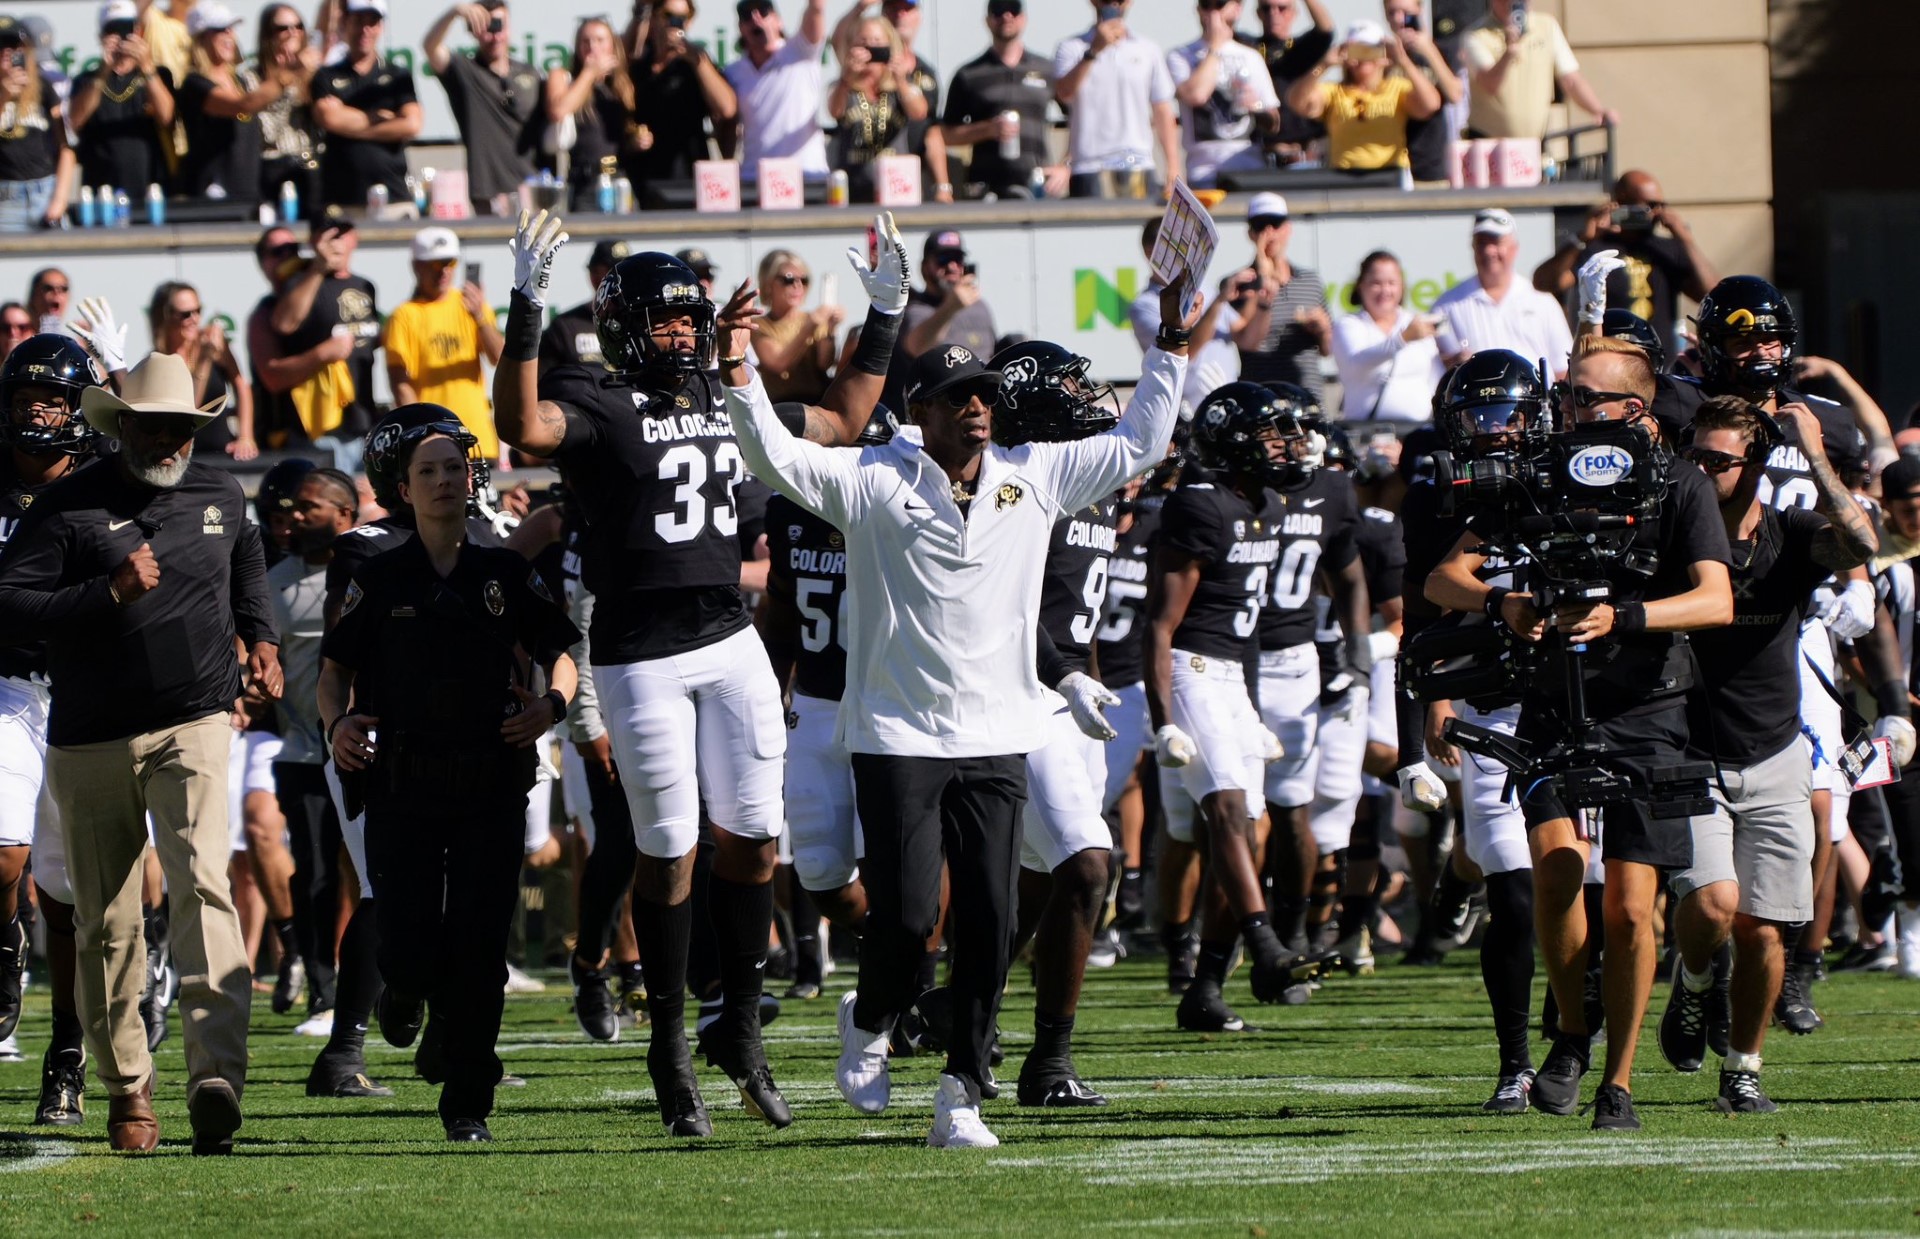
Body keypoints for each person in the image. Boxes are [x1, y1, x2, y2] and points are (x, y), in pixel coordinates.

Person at [722, 249, 1191, 1149]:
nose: (978, 405)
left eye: (985, 393)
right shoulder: (869, 483)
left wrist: (1170, 337)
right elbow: (771, 455)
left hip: (1001, 730)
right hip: (895, 733)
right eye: (958, 394)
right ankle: (872, 1014)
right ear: (918, 413)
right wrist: (740, 366)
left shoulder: (1034, 476)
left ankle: (961, 1091)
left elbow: (1141, 442)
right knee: (903, 917)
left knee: (993, 917)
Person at [493, 210, 895, 1136]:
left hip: (729, 640)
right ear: (628, 325)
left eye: (689, 318)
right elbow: (520, 423)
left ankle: (739, 1025)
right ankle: (670, 1039)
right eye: (663, 319)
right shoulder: (596, 399)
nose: (679, 333)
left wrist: (882, 313)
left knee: (755, 838)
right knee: (668, 849)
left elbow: (841, 419)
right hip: (638, 654)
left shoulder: (732, 398)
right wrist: (524, 303)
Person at [1427, 336, 1734, 1129]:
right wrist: (1508, 605)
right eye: (1565, 396)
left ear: (1632, 410)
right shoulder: (1537, 473)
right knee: (1556, 868)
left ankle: (1619, 1080)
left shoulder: (1681, 482)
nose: (1563, 409)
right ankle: (1570, 1030)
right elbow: (1444, 576)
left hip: (1652, 706)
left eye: (1581, 398)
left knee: (1634, 908)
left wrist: (1623, 616)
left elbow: (1714, 600)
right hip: (1555, 700)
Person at [0, 350, 281, 1154]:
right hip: (88, 732)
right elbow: (7, 601)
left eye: (182, 429)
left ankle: (213, 1076)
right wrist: (104, 592)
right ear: (120, 427)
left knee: (204, 886)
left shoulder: (221, 492)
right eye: (153, 427)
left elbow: (246, 561)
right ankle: (129, 1087)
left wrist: (259, 636)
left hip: (195, 719)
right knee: (108, 922)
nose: (168, 443)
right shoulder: (66, 505)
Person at [323, 413, 578, 1143]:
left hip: (490, 782)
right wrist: (337, 724)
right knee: (405, 945)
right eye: (428, 471)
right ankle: (406, 993)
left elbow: (560, 649)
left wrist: (550, 705)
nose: (444, 480)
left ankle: (467, 1099)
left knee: (479, 945)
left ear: (472, 480)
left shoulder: (503, 569)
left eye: (454, 469)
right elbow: (334, 670)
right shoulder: (377, 575)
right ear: (402, 488)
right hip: (400, 783)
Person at [1659, 395, 1876, 1113]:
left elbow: (1864, 542)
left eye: (1718, 460)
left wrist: (1816, 456)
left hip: (1776, 750)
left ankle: (1742, 1067)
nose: (1701, 469)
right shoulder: (1670, 535)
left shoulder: (1789, 532)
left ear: (1753, 467)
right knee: (1717, 905)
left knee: (1761, 932)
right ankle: (1693, 982)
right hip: (1691, 748)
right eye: (1696, 455)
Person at [1146, 381, 1339, 1034]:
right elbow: (1161, 625)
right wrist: (1164, 716)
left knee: (1249, 834)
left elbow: (1249, 623)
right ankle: (1264, 946)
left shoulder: (1265, 503)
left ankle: (1204, 989)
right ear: (1232, 441)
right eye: (1270, 433)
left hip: (1232, 680)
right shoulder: (1200, 504)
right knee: (1225, 810)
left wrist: (1251, 703)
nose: (1285, 444)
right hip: (1192, 674)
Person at [1403, 354, 1540, 1109]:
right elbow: (1431, 587)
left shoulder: (1568, 477)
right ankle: (1514, 1061)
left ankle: (1570, 1035)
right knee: (1516, 892)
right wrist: (1436, 691)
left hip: (1576, 707)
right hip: (1490, 703)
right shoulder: (1447, 495)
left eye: (1507, 415)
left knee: (1589, 894)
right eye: (1479, 417)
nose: (1494, 432)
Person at [0, 335, 105, 1127]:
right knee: (5, 854)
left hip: (85, 695)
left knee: (70, 898)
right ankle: (7, 947)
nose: (42, 412)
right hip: (6, 689)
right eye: (29, 398)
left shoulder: (105, 487)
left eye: (57, 400)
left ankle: (65, 1052)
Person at [1534, 171, 1719, 352]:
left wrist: (1686, 240)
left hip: (1659, 364)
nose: (1657, 212)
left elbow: (1711, 294)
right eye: (1650, 205)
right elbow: (1545, 282)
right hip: (1609, 360)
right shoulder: (1596, 249)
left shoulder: (1667, 249)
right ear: (1621, 205)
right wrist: (1582, 238)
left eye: (1662, 205)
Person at [269, 209, 381, 470]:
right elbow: (284, 323)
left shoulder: (366, 285)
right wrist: (318, 267)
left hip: (362, 421)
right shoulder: (300, 281)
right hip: (320, 425)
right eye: (326, 235)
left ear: (354, 238)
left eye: (341, 234)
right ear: (312, 241)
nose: (335, 242)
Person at [383, 227, 504, 461]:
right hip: (433, 443)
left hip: (476, 438)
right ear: (416, 265)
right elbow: (400, 384)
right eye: (435, 264)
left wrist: (480, 317)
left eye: (449, 263)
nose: (444, 272)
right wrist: (421, 434)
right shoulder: (404, 315)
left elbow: (500, 357)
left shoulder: (470, 305)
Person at [1054, 0, 1182, 198]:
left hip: (1138, 163)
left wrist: (1173, 167)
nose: (1113, 4)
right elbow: (1064, 93)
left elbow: (1163, 110)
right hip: (1088, 166)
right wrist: (1094, 51)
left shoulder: (1148, 49)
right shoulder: (1071, 48)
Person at [424, 0, 541, 215]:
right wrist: (455, 12)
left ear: (510, 27)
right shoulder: (465, 70)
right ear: (474, 31)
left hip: (530, 191)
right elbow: (430, 47)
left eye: (499, 25)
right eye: (487, 27)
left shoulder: (530, 73)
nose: (495, 35)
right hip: (487, 195)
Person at [940, 0, 1062, 200]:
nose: (1006, 17)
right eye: (998, 11)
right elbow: (946, 135)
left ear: (1023, 19)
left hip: (1038, 184)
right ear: (987, 21)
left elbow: (1079, 117)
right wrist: (988, 130)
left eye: (1013, 10)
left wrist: (1065, 167)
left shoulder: (1046, 70)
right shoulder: (969, 74)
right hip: (985, 187)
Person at [1433, 208, 1574, 380]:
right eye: (1482, 243)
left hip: (1537, 403)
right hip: (1477, 403)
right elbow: (1435, 365)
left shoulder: (1542, 301)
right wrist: (1454, 363)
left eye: (1496, 242)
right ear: (1473, 247)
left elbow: (1563, 368)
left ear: (1514, 248)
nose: (1489, 251)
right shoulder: (1446, 306)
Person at [1284, 20, 1441, 172]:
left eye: (1371, 50)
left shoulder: (1397, 88)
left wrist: (1403, 61)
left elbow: (1431, 104)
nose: (1364, 57)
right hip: (1344, 174)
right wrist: (1324, 65)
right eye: (1357, 50)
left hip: (1390, 173)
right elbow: (1296, 102)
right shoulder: (1335, 92)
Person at [310, 0, 420, 213]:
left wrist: (350, 123)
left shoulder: (398, 75)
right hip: (343, 200)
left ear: (381, 27)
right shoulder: (326, 75)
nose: (365, 30)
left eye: (373, 23)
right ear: (345, 23)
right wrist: (383, 119)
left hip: (394, 197)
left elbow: (412, 125)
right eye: (359, 21)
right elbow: (329, 118)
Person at [1167, 0, 1281, 189]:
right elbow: (1196, 95)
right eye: (1206, 5)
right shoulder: (1180, 56)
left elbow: (1274, 122)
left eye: (1219, 5)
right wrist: (1215, 49)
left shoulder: (1251, 57)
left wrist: (1256, 107)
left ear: (1237, 9)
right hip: (1203, 171)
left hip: (1249, 168)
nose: (1213, 13)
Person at [1463, 0, 1616, 140]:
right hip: (1488, 145)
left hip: (1533, 144)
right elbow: (1490, 84)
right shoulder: (1476, 36)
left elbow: (1571, 80)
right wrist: (1509, 53)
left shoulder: (1547, 26)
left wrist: (1597, 110)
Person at [1229, 193, 1331, 401]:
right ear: (1250, 233)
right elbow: (1248, 342)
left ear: (1288, 228)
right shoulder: (1237, 284)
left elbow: (1328, 349)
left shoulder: (1310, 280)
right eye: (1260, 226)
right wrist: (1263, 280)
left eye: (1275, 224)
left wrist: (1322, 329)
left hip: (1307, 396)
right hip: (1261, 398)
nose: (1269, 233)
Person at [70, 1, 175, 200]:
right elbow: (75, 122)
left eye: (127, 29)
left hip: (149, 187)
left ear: (138, 31)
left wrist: (146, 65)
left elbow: (167, 117)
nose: (121, 38)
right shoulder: (86, 80)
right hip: (102, 190)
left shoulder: (158, 74)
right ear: (101, 36)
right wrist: (103, 71)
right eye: (113, 30)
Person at [884, 229, 999, 412]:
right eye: (943, 259)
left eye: (958, 258)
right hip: (944, 407)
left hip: (983, 404)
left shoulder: (980, 307)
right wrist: (951, 307)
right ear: (924, 267)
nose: (952, 266)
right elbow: (918, 347)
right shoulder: (915, 309)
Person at [146, 280, 258, 461]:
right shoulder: (158, 360)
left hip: (222, 452)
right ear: (164, 316)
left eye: (198, 311)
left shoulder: (213, 342)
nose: (195, 319)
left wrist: (245, 436)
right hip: (180, 457)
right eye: (185, 314)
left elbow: (241, 384)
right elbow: (188, 412)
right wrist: (205, 360)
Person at [176, 3, 274, 207]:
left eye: (232, 28)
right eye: (221, 30)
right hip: (213, 195)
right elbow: (242, 106)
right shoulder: (194, 84)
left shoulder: (243, 81)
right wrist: (284, 78)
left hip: (250, 193)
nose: (230, 35)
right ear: (201, 38)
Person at [628, 0, 736, 184]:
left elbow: (727, 109)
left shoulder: (697, 62)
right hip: (644, 174)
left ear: (690, 21)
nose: (674, 22)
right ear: (654, 18)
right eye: (668, 15)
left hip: (688, 174)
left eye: (681, 18)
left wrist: (696, 61)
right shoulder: (640, 64)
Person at [1330, 250, 1444, 423]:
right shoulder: (1349, 325)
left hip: (1420, 430)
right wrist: (1402, 339)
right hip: (1367, 433)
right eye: (1376, 283)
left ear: (1402, 286)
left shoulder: (1415, 322)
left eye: (1392, 283)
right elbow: (1356, 362)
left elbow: (1435, 375)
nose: (1385, 290)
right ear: (1361, 285)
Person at [727, 0, 830, 184]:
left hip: (806, 175)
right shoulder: (733, 72)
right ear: (741, 28)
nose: (756, 19)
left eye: (763, 12)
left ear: (778, 21)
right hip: (755, 178)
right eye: (747, 16)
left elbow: (816, 9)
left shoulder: (800, 52)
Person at [828, 16, 927, 204]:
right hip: (855, 186)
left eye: (877, 44)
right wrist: (846, 78)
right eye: (863, 44)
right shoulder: (843, 86)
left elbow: (919, 113)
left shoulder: (901, 85)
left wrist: (900, 82)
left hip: (897, 187)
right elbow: (835, 111)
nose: (870, 49)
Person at [545, 17, 639, 213]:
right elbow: (558, 110)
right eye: (585, 41)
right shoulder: (565, 77)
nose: (592, 47)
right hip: (585, 183)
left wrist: (636, 142)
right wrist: (589, 73)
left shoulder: (621, 85)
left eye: (599, 40)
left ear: (612, 45)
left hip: (619, 180)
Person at [0, 17, 74, 232]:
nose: (7, 51)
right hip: (6, 199)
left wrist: (59, 200)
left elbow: (66, 148)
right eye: (0, 45)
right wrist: (3, 98)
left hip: (45, 192)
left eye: (14, 45)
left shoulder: (44, 88)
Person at [1242, 0, 1332, 167]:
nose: (1273, 14)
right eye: (1266, 8)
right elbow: (1220, 22)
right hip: (1262, 154)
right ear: (1258, 13)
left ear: (1293, 13)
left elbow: (1326, 29)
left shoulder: (1301, 48)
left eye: (1282, 8)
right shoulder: (1248, 48)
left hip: (1304, 154)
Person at [252, 3, 321, 209]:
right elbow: (269, 133)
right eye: (283, 28)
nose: (292, 33)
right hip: (275, 170)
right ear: (268, 35)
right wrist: (287, 82)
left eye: (298, 26)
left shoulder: (314, 74)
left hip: (313, 169)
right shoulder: (253, 78)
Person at [749, 250, 840, 405]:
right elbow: (778, 364)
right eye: (788, 279)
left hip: (817, 404)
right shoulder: (759, 325)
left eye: (804, 280)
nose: (797, 286)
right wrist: (809, 328)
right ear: (768, 283)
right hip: (781, 407)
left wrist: (831, 329)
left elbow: (825, 363)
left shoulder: (815, 320)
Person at [540, 239, 627, 374]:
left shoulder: (644, 322)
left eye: (624, 272)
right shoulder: (565, 327)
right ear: (594, 275)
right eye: (611, 272)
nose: (620, 279)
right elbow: (540, 384)